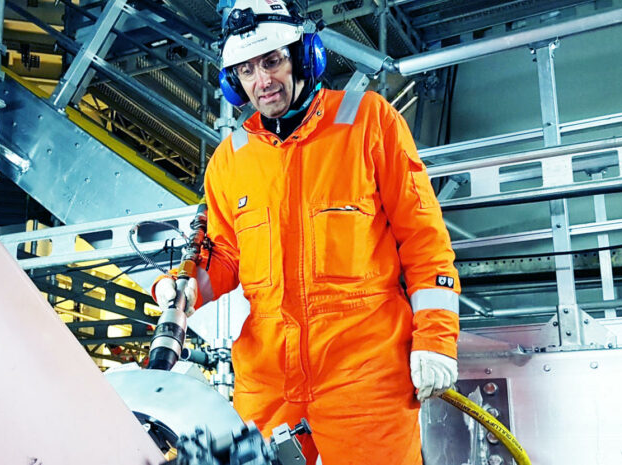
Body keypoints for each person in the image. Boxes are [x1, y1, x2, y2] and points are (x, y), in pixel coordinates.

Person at [154, 0, 460, 463]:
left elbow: (424, 238)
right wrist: (182, 290)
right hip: (268, 380)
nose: (263, 81)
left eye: (272, 60)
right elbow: (225, 258)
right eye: (247, 70)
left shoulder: (368, 121)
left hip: (365, 377)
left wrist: (436, 338)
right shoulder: (230, 159)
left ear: (303, 56)